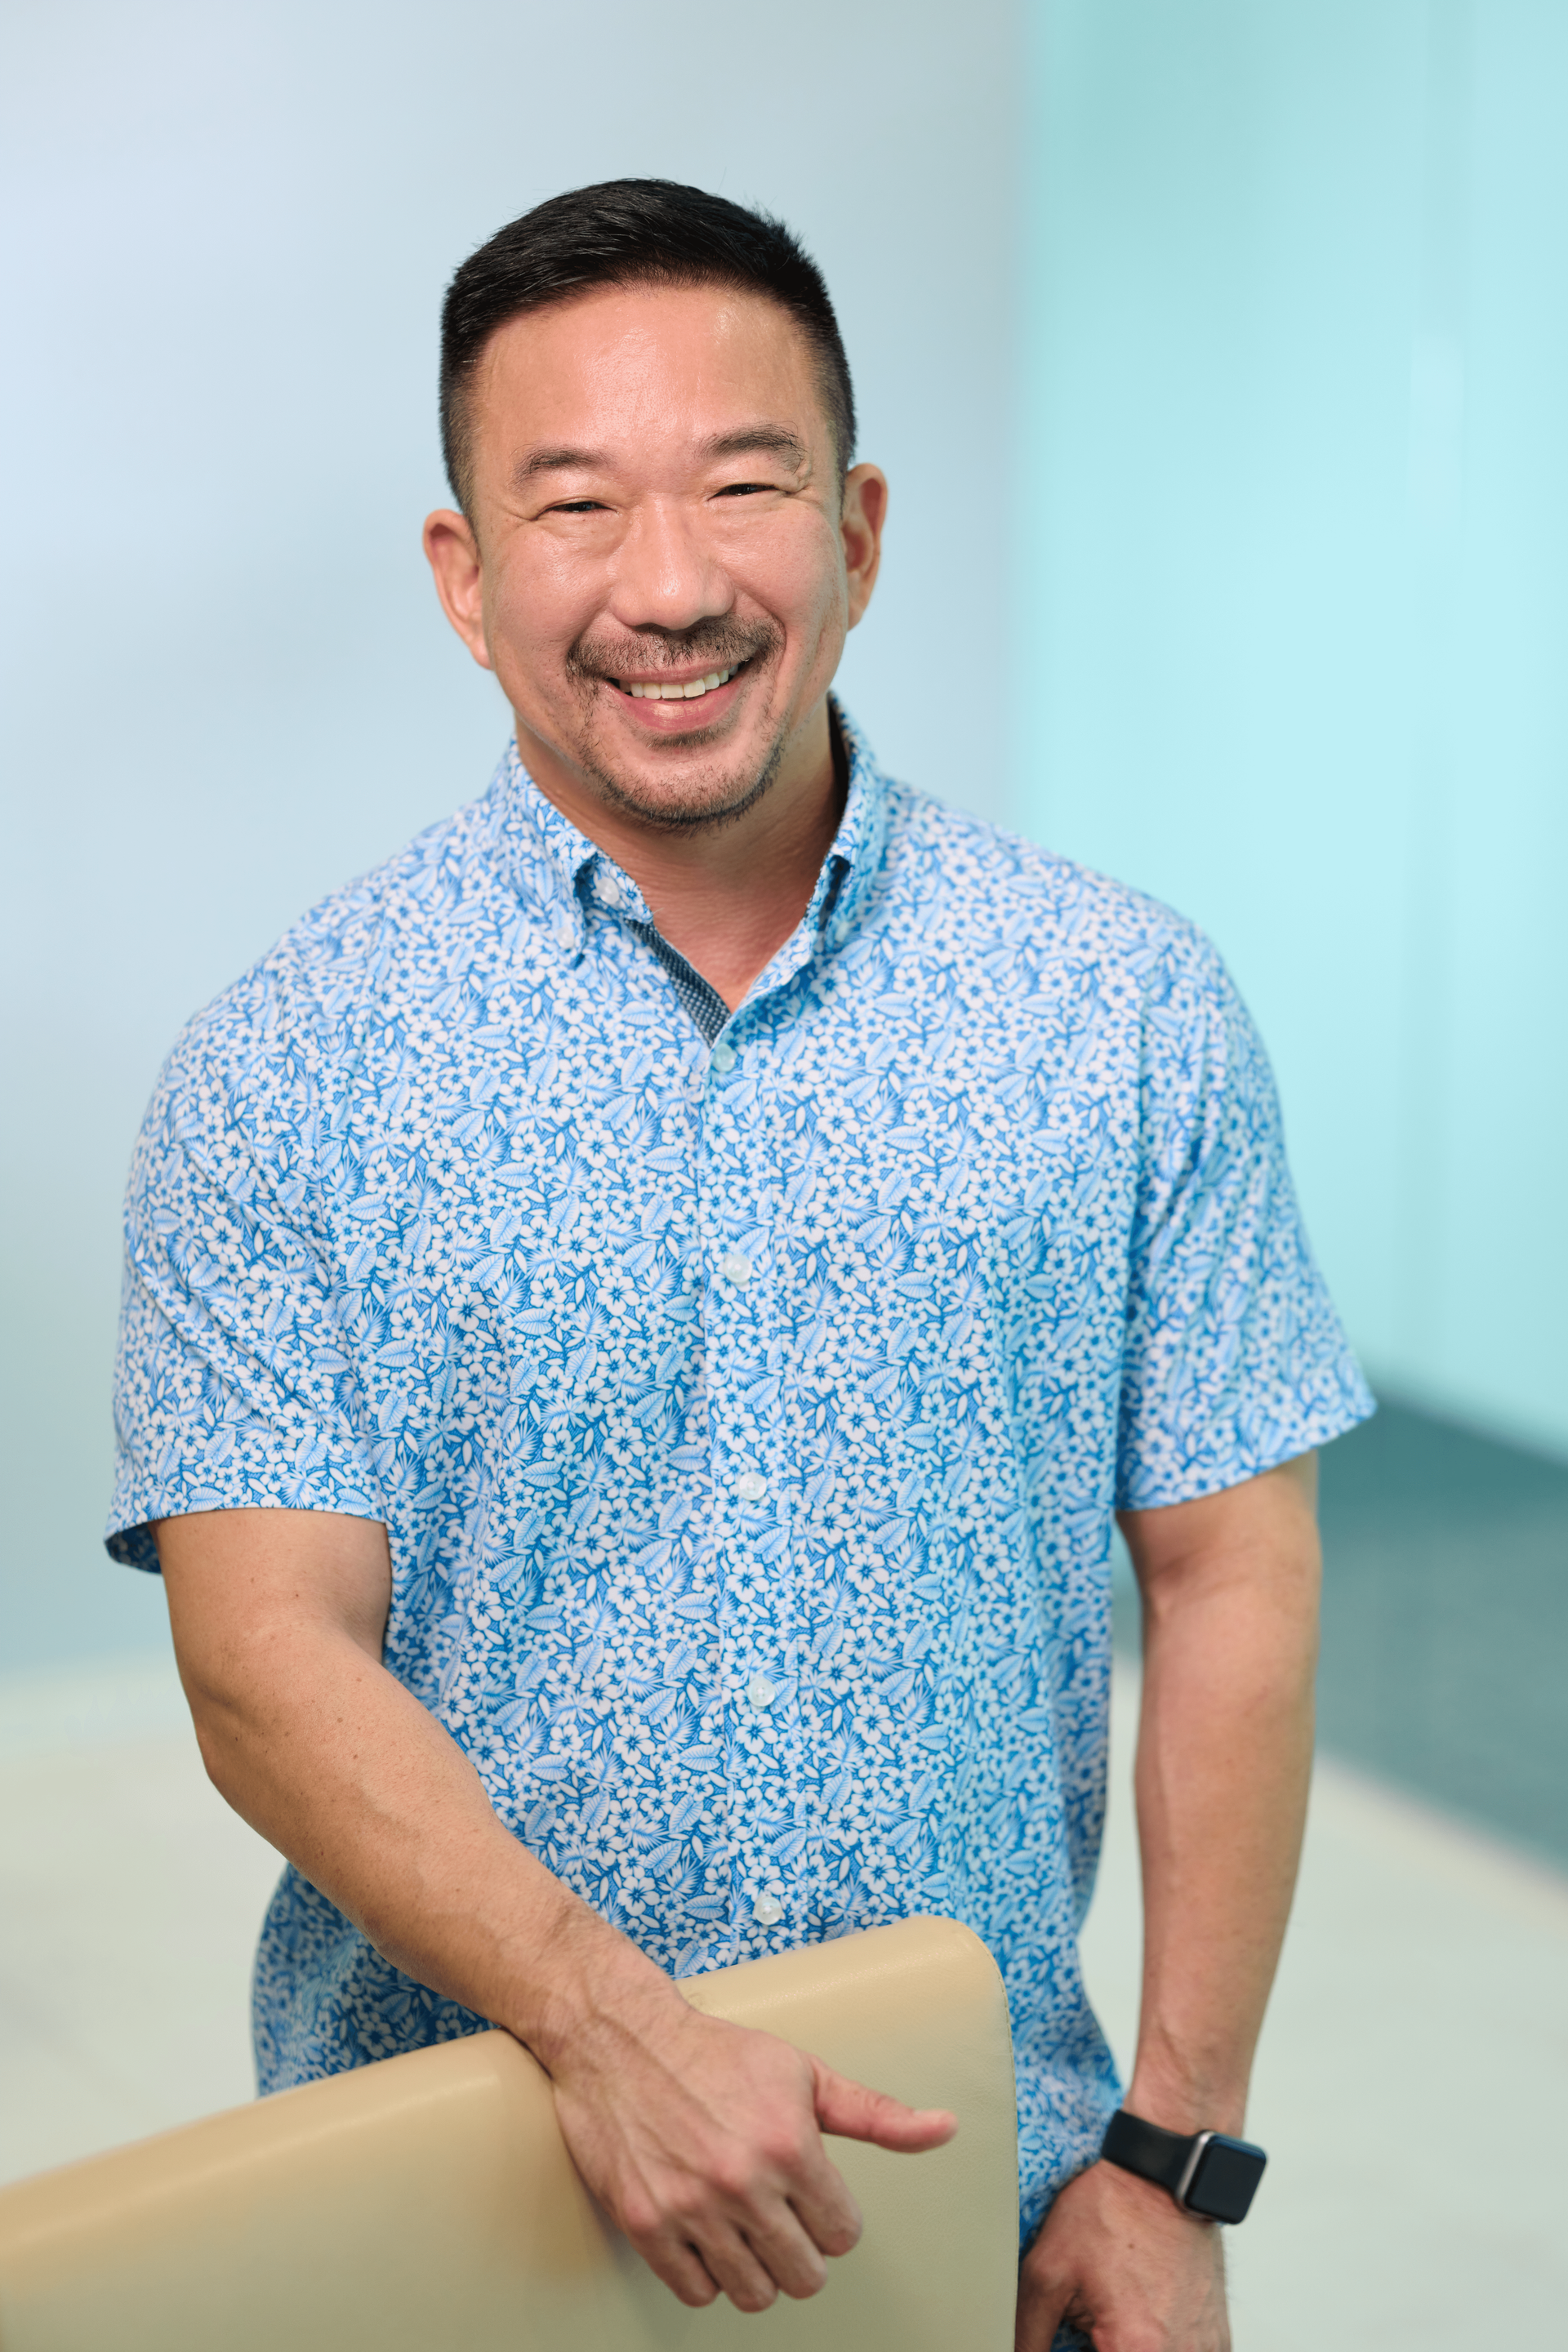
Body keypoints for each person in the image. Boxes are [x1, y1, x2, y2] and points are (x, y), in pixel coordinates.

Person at [108, 179, 1371, 2349]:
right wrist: (615, 2035)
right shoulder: (287, 1071)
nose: (671, 587)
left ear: (860, 532)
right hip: (450, 2215)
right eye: (577, 505)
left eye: (746, 485)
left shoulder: (1121, 1010)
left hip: (972, 2194)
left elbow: (1231, 1574)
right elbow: (264, 1660)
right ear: (465, 575)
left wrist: (1174, 2158)